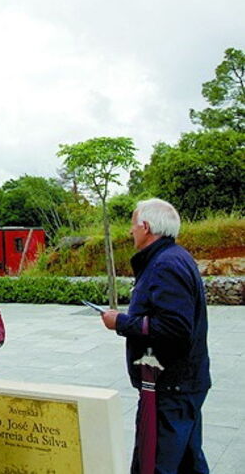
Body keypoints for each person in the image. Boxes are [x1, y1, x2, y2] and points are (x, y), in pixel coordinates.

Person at [101, 198, 210, 473]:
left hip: (170, 388)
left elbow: (175, 329)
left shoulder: (165, 264)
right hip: (180, 384)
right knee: (187, 461)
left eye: (133, 225)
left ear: (146, 227)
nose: (130, 231)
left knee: (156, 465)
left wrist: (122, 322)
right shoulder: (172, 257)